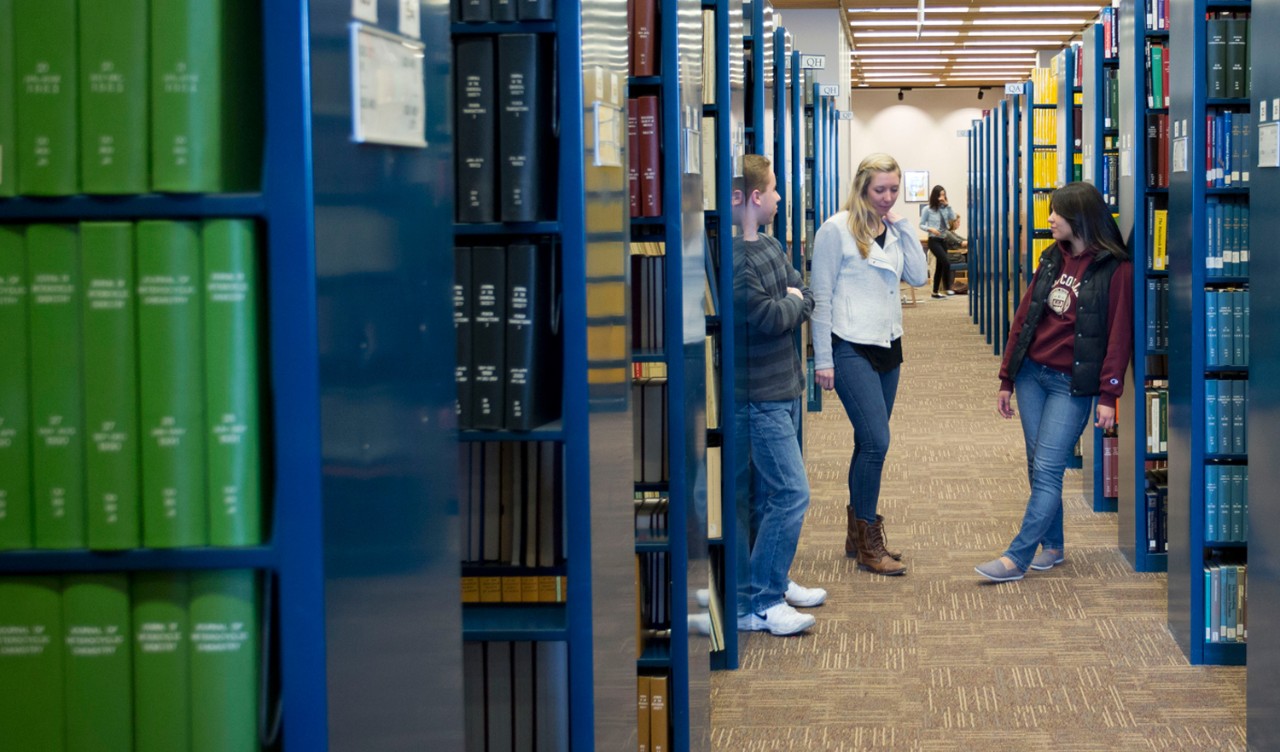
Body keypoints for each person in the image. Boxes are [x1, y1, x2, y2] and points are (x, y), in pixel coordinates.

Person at [976, 181, 1134, 582]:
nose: (1048, 219)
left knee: (1047, 467)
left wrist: (1108, 394)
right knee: (1038, 466)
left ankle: (1017, 557)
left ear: (1078, 218)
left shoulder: (1116, 269)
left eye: (1056, 213)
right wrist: (1007, 378)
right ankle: (1055, 545)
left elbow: (1119, 336)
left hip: (1071, 384)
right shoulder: (1051, 257)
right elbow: (1025, 318)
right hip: (1032, 374)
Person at [811, 153, 928, 576]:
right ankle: (868, 538)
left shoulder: (891, 228)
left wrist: (904, 226)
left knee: (867, 443)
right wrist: (822, 358)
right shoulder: (835, 230)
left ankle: (855, 533)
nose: (887, 197)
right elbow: (819, 297)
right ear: (861, 188)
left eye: (894, 189)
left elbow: (918, 278)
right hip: (849, 346)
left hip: (888, 344)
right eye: (879, 189)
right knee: (878, 441)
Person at [730, 154, 826, 636]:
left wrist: (790, 301)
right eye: (772, 191)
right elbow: (768, 317)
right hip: (757, 397)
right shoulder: (732, 258)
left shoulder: (767, 244)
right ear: (750, 198)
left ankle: (770, 580)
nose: (779, 198)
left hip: (786, 388)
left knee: (771, 495)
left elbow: (802, 294)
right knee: (791, 494)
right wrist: (791, 302)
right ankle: (760, 601)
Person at [919, 185, 960, 299]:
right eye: (940, 195)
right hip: (933, 240)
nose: (942, 197)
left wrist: (947, 205)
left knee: (940, 267)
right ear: (935, 196)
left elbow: (952, 218)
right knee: (946, 262)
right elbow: (921, 224)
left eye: (943, 194)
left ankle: (935, 292)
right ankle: (948, 288)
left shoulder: (945, 208)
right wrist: (930, 229)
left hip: (943, 240)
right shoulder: (927, 209)